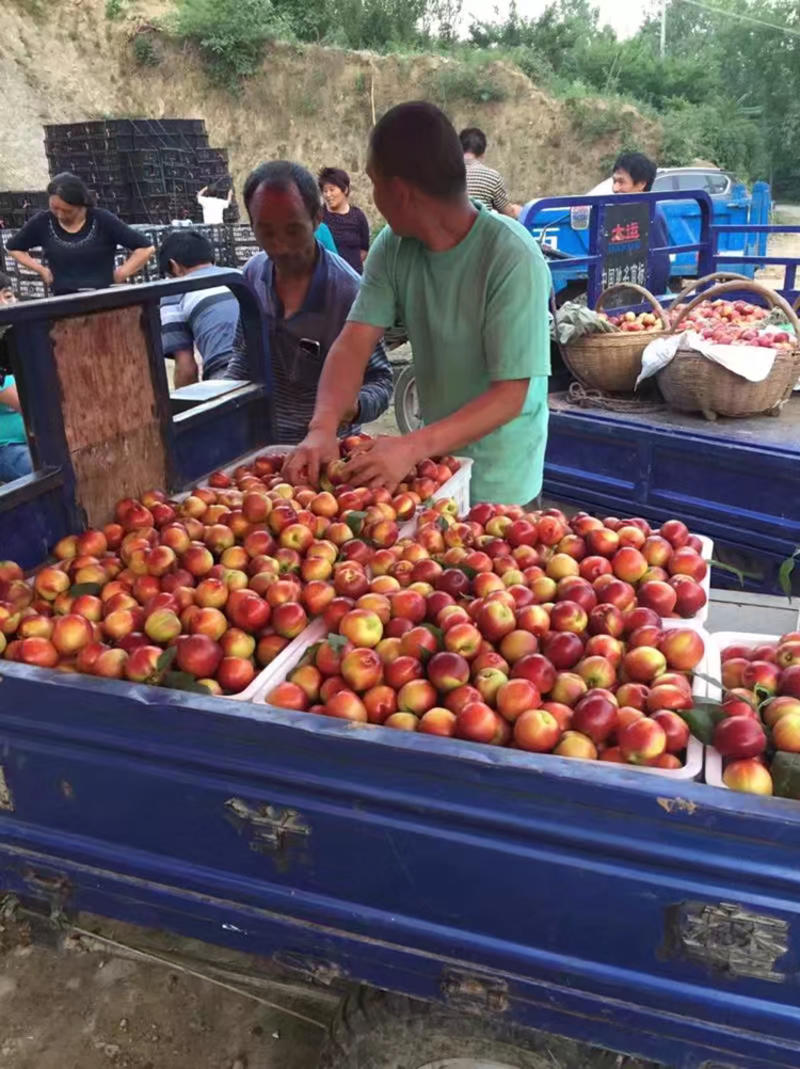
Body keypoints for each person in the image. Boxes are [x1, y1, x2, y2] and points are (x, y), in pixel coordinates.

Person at [285, 102, 551, 507]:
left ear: (400, 192)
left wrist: (411, 447)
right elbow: (353, 343)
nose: (373, 198)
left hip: (502, 480)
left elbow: (510, 394)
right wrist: (322, 426)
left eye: (374, 183)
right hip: (433, 462)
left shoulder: (511, 256)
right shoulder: (392, 248)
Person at [224, 161, 393, 445]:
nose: (279, 245)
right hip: (263, 453)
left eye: (292, 230)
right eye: (265, 231)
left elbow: (381, 381)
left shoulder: (348, 292)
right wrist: (223, 395)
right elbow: (244, 354)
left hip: (329, 455)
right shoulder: (252, 276)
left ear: (317, 219)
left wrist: (351, 407)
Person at [6, 173, 154, 297]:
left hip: (103, 297)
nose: (60, 215)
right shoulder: (43, 222)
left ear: (81, 204)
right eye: (54, 208)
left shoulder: (102, 220)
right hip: (62, 300)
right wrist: (41, 270)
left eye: (67, 211)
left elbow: (145, 248)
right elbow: (13, 248)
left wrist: (122, 273)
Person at [158, 230, 241, 386]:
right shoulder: (239, 275)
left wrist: (187, 409)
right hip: (274, 367)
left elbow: (186, 368)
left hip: (227, 373)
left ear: (173, 266)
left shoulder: (175, 290)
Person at [611, 152, 671, 296]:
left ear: (641, 184)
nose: (615, 188)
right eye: (614, 181)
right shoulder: (620, 212)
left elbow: (659, 266)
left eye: (621, 182)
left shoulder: (651, 215)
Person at [0, 274, 32, 481]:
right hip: (7, 447)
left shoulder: (18, 338)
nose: (4, 305)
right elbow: (29, 404)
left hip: (33, 439)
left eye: (8, 296)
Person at [459, 127, 521, 220]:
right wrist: (517, 211)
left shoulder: (443, 175)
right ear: (483, 152)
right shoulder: (492, 177)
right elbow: (509, 215)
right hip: (480, 232)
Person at [318, 167, 370, 273]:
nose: (328, 195)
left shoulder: (358, 216)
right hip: (327, 277)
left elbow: (364, 250)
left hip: (354, 277)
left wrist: (348, 266)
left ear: (345, 190)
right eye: (325, 191)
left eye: (332, 190)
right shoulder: (318, 215)